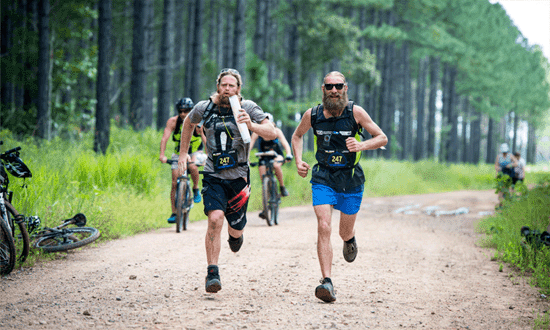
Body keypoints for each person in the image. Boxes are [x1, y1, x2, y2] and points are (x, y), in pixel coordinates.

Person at [291, 71, 387, 303]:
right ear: (323, 89)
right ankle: (327, 282)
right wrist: (298, 160)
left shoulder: (356, 112)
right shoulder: (312, 114)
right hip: (323, 176)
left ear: (345, 88)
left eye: (338, 86)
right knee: (324, 225)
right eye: (329, 86)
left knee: (344, 230)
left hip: (351, 178)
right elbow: (297, 136)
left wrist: (362, 144)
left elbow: (382, 138)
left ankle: (349, 238)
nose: (334, 90)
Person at [177, 68, 277, 293]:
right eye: (224, 85)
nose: (227, 89)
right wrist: (184, 153)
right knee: (215, 218)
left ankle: (236, 235)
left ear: (238, 89)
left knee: (236, 227)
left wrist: (251, 125)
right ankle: (212, 272)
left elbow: (271, 132)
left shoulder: (248, 107)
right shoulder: (205, 107)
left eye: (232, 86)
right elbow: (188, 124)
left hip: (239, 177)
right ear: (218, 86)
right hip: (213, 175)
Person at [159, 97, 204, 224]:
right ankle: (174, 212)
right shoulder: (173, 122)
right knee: (174, 182)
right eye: (181, 111)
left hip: (195, 151)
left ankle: (195, 189)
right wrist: (162, 155)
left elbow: (205, 138)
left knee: (193, 167)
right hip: (179, 153)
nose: (183, 114)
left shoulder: (198, 123)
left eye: (187, 111)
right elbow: (164, 138)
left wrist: (210, 155)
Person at [249, 113, 293, 214]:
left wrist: (289, 154)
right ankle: (266, 207)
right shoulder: (257, 133)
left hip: (276, 155)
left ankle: (282, 187)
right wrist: (246, 157)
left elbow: (285, 143)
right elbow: (250, 144)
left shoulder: (277, 131)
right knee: (264, 180)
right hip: (264, 156)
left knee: (276, 165)